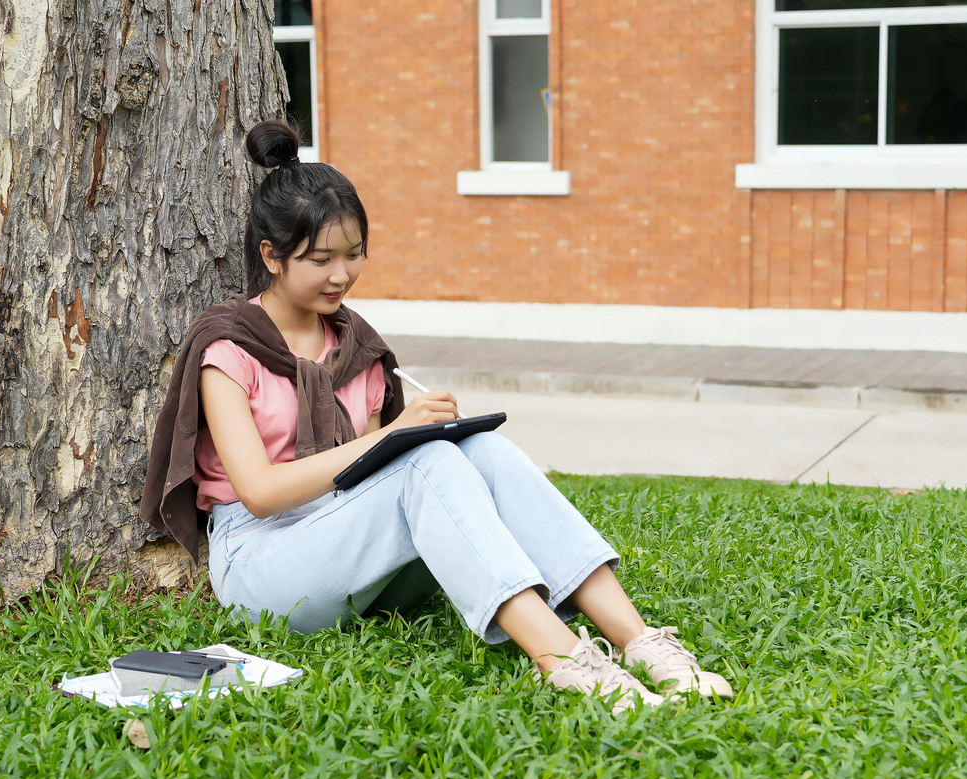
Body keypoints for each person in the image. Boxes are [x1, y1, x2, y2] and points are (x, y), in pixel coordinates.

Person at [140, 119, 734, 713]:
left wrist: (415, 436)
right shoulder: (229, 349)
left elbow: (366, 486)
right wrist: (401, 435)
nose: (341, 275)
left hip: (353, 554)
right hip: (263, 562)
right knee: (422, 459)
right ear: (271, 256)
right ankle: (566, 662)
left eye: (354, 255)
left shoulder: (356, 348)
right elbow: (262, 492)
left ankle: (639, 642)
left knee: (483, 452)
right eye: (320, 259)